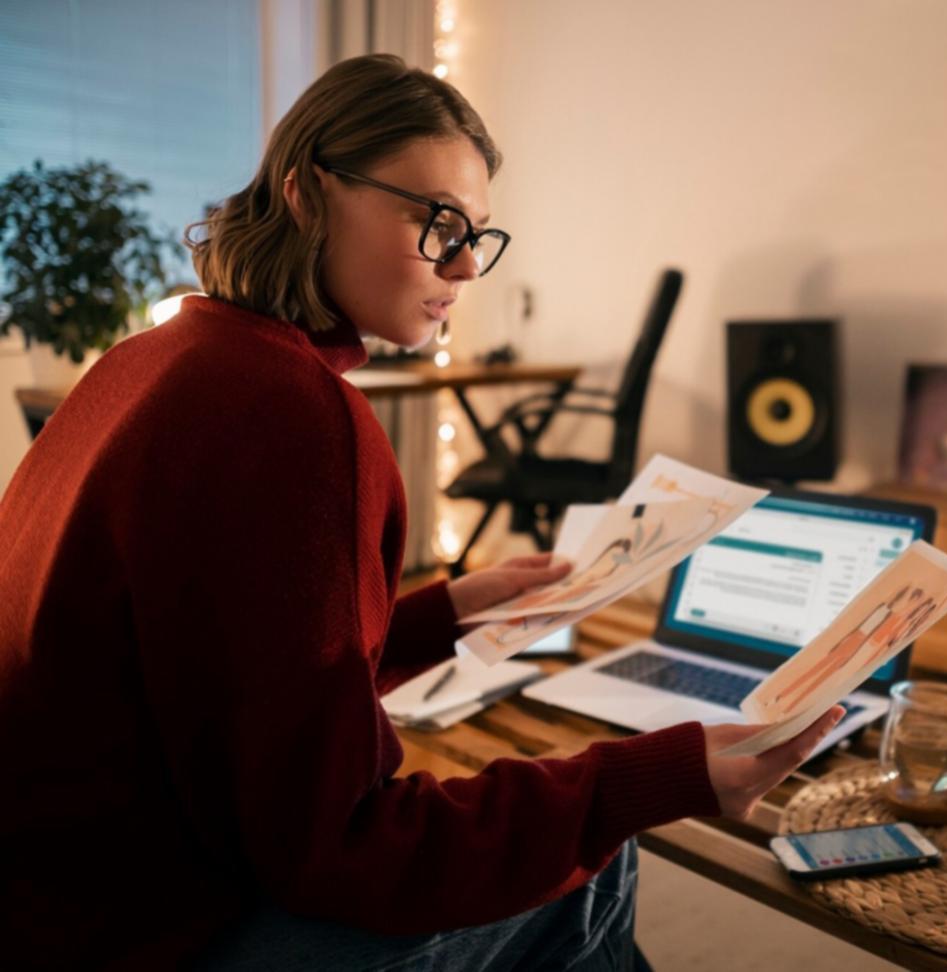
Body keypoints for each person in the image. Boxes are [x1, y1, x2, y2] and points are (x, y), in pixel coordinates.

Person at [0, 54, 843, 970]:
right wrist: (649, 779)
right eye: (436, 222)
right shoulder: (293, 412)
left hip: (51, 900)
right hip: (144, 936)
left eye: (476, 233)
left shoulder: (150, 359)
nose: (466, 265)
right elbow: (343, 847)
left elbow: (228, 671)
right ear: (306, 194)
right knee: (596, 862)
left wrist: (443, 615)